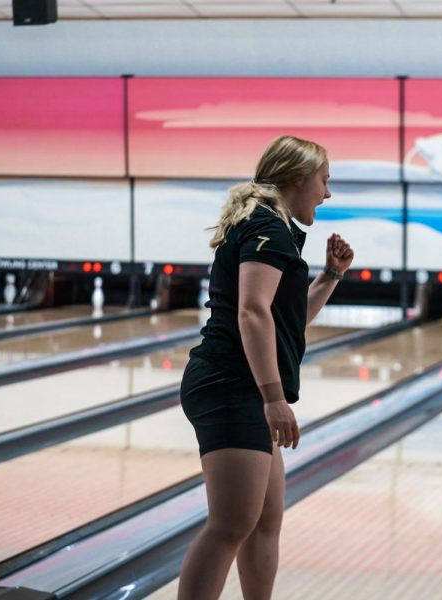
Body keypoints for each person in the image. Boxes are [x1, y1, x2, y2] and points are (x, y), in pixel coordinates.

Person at [177, 135, 354, 599]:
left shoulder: (270, 226)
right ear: (298, 177)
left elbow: (285, 320)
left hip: (239, 385)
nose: (327, 193)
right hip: (232, 385)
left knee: (263, 522)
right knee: (231, 524)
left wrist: (331, 276)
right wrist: (275, 398)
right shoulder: (268, 229)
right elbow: (252, 311)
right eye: (324, 180)